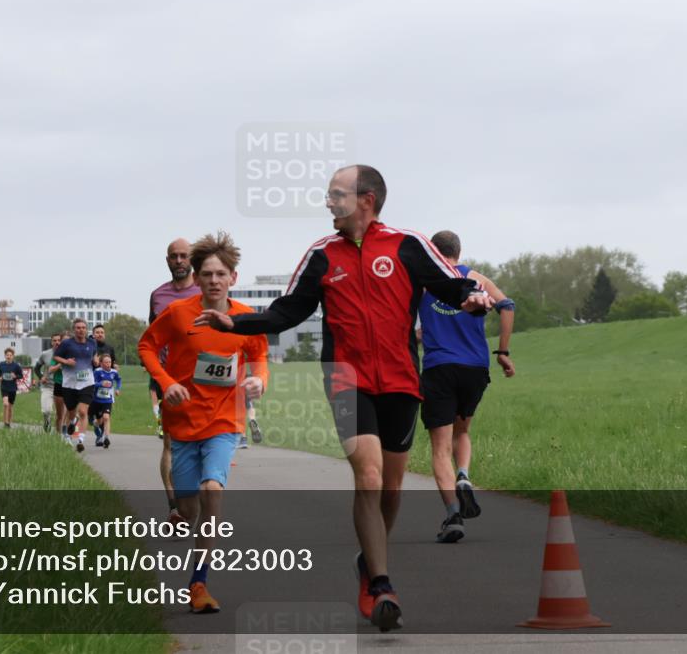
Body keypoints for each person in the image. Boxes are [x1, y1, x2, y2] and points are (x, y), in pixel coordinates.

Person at [195, 165, 492, 631]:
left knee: (391, 487)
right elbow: (287, 311)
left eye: (336, 194)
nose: (328, 202)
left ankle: (368, 564)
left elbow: (450, 284)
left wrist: (472, 297)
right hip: (346, 378)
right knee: (369, 475)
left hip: (400, 379)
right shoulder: (321, 254)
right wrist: (238, 322)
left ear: (365, 199)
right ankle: (380, 583)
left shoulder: (407, 244)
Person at [139, 231, 268, 614]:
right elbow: (147, 346)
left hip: (225, 421)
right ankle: (185, 516)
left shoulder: (246, 319)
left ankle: (199, 582)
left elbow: (259, 355)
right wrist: (167, 383)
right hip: (182, 423)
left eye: (221, 274)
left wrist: (259, 380)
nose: (214, 280)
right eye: (207, 274)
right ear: (196, 278)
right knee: (189, 508)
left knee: (214, 487)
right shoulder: (178, 314)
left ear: (233, 278)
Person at [419, 230, 516, 543]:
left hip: (439, 368)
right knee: (462, 431)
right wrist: (502, 352)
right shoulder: (476, 279)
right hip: (475, 368)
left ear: (433, 251)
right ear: (459, 252)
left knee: (439, 447)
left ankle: (452, 515)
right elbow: (508, 305)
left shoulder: (424, 282)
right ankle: (463, 476)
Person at [148, 238, 201, 524]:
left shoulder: (205, 289)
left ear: (191, 259)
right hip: (168, 377)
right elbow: (151, 340)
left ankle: (197, 495)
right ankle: (174, 507)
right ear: (167, 260)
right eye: (174, 256)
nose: (179, 261)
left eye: (184, 256)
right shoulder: (158, 295)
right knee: (170, 442)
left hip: (203, 378)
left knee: (202, 440)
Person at [53, 319, 100, 452]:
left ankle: (80, 440)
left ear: (87, 329)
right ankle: (68, 435)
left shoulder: (92, 342)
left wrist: (96, 361)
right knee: (72, 413)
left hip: (87, 382)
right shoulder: (67, 343)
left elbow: (94, 355)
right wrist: (66, 361)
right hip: (70, 384)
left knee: (83, 411)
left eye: (84, 327)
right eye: (78, 328)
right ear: (74, 329)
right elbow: (56, 357)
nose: (81, 330)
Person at [90, 354, 121, 448]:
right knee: (98, 422)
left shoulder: (114, 372)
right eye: (106, 362)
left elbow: (118, 380)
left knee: (106, 417)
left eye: (109, 362)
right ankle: (96, 425)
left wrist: (118, 389)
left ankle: (106, 438)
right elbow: (92, 383)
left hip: (108, 400)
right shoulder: (97, 372)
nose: (108, 364)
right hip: (96, 400)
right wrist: (100, 384)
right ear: (101, 363)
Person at [34, 333, 62, 432]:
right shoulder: (45, 354)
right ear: (51, 342)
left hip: (62, 386)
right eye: (55, 340)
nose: (57, 342)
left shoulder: (67, 354)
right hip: (48, 386)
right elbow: (36, 368)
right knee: (47, 410)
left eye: (59, 340)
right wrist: (41, 377)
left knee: (61, 413)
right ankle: (47, 420)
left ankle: (60, 434)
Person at [0, 348, 24, 428]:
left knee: (10, 406)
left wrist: (15, 376)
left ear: (13, 356)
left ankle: (8, 423)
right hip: (4, 387)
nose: (8, 356)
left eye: (10, 355)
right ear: (5, 356)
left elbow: (21, 376)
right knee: (5, 404)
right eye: (7, 355)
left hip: (12, 388)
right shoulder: (1, 364)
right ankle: (5, 422)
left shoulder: (16, 366)